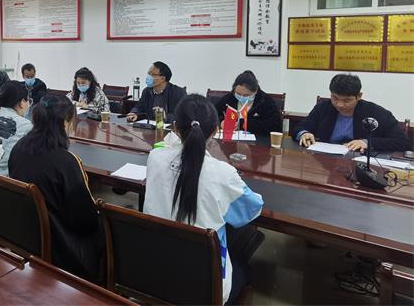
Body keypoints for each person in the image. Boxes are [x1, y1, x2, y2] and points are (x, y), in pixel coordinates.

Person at [144, 94, 264, 305]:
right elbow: (252, 210)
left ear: (175, 128)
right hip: (205, 290)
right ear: (216, 131)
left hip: (152, 273)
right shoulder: (223, 173)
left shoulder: (155, 158)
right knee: (245, 262)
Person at [9, 94, 103, 282]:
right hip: (61, 247)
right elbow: (85, 221)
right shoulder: (67, 162)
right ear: (65, 123)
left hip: (23, 234)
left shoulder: (18, 148)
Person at [293, 74, 410, 152]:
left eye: (346, 100)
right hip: (324, 160)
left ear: (359, 96)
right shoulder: (323, 107)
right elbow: (299, 127)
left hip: (358, 161)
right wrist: (304, 133)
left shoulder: (377, 113)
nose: (339, 104)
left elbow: (403, 142)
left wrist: (367, 142)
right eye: (335, 98)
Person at [213, 70, 282, 136]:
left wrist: (243, 124)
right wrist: (221, 122)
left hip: (257, 141)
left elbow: (275, 126)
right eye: (238, 94)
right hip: (230, 139)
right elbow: (212, 116)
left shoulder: (265, 101)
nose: (241, 97)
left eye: (246, 95)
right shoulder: (229, 98)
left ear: (256, 91)